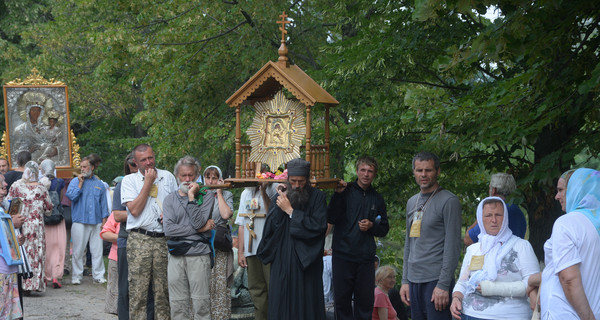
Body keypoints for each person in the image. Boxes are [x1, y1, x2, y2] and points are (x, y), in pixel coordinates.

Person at [257, 158, 328, 320]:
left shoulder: (318, 198)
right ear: (288, 180)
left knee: (306, 306)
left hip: (306, 264)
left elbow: (318, 228)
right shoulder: (282, 196)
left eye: (301, 182)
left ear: (307, 180)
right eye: (293, 181)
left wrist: (291, 212)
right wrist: (279, 202)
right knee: (281, 305)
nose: (296, 185)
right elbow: (270, 229)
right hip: (282, 260)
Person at [449, 197, 540, 320]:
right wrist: (456, 298)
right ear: (481, 219)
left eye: (498, 215)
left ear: (506, 217)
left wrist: (492, 288)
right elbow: (463, 281)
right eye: (488, 215)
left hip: (509, 315)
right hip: (468, 314)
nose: (493, 220)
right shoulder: (474, 249)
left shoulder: (522, 246)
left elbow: (532, 283)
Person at [400, 152, 462, 320]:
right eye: (419, 170)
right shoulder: (412, 202)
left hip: (435, 280)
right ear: (413, 172)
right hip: (413, 280)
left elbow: (453, 246)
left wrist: (443, 284)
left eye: (428, 170)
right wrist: (405, 280)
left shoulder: (449, 201)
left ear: (438, 171)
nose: (424, 174)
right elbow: (409, 243)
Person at [532, 168, 600, 319]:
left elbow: (569, 278)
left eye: (561, 190)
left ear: (577, 189)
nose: (556, 197)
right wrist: (531, 281)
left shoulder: (567, 223)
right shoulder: (595, 225)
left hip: (567, 313)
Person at [328, 156, 389, 320]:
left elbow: (384, 228)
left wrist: (372, 226)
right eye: (363, 170)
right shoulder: (345, 191)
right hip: (343, 255)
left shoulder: (377, 198)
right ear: (357, 171)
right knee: (342, 303)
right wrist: (338, 195)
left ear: (374, 174)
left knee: (365, 303)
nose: (366, 174)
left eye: (370, 171)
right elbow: (331, 217)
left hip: (365, 259)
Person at [121, 143, 177, 320]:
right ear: (135, 162)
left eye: (150, 158)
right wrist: (148, 183)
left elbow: (178, 206)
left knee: (163, 292)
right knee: (138, 292)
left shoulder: (168, 177)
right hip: (139, 239)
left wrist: (168, 214)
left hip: (162, 239)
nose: (148, 162)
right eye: (143, 160)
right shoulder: (129, 181)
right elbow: (135, 210)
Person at [163, 155, 216, 320]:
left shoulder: (206, 196)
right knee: (177, 305)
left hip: (199, 254)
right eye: (183, 175)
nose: (187, 179)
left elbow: (199, 221)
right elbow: (169, 230)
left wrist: (192, 198)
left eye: (190, 175)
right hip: (175, 254)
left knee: (201, 305)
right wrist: (200, 229)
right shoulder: (170, 199)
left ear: (197, 174)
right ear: (177, 175)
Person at [113, 152, 154, 320]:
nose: (138, 168)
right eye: (134, 165)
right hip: (127, 239)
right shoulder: (122, 185)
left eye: (143, 163)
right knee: (126, 288)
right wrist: (142, 212)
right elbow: (117, 215)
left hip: (151, 240)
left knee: (151, 288)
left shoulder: (157, 181)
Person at [235, 175, 277, 320]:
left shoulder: (274, 187)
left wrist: (263, 191)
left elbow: (273, 214)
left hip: (268, 249)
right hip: (251, 249)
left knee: (273, 287)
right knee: (256, 289)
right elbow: (241, 223)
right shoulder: (245, 192)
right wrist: (241, 252)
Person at [7, 161, 53, 293]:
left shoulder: (16, 186)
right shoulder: (41, 188)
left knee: (23, 251)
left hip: (19, 225)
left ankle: (21, 284)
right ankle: (34, 284)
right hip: (36, 227)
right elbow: (49, 209)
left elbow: (9, 205)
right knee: (36, 253)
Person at [66, 154, 109, 285]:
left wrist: (104, 223)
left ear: (92, 167)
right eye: (81, 167)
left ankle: (99, 275)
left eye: (85, 167)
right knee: (78, 251)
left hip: (96, 222)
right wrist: (80, 183)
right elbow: (71, 196)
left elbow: (104, 206)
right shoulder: (75, 181)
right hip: (80, 221)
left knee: (97, 250)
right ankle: (76, 276)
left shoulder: (99, 184)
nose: (82, 169)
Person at [204, 165, 235, 320]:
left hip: (219, 247)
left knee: (219, 287)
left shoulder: (226, 194)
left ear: (219, 178)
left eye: (214, 177)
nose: (211, 180)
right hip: (202, 246)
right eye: (208, 177)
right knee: (203, 285)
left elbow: (225, 214)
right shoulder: (199, 194)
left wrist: (219, 192)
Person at [464, 173, 527, 246]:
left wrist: (482, 217)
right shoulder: (519, 212)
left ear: (493, 190)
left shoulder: (496, 213)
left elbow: (468, 239)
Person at [40, 159, 66, 289]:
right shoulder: (60, 182)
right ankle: (56, 275)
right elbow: (60, 199)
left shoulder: (39, 183)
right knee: (59, 247)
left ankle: (45, 276)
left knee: (46, 248)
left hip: (45, 218)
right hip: (57, 218)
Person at [0, 196, 26, 319]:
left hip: (9, 267)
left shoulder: (3, 208)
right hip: (2, 269)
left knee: (10, 312)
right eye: (0, 187)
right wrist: (10, 222)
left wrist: (15, 240)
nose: (4, 189)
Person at [100, 212, 120, 315]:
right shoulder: (117, 213)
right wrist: (121, 237)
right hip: (116, 257)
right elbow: (104, 233)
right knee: (113, 305)